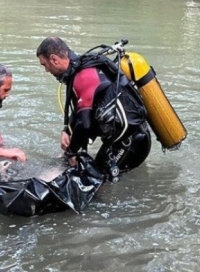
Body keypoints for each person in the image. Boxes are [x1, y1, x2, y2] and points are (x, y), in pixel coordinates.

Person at [36, 37, 151, 181]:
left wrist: (72, 153)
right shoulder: (81, 68)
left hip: (132, 143)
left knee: (96, 181)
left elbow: (84, 124)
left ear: (54, 59)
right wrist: (66, 130)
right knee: (87, 170)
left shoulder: (84, 77)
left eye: (45, 65)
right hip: (123, 138)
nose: (46, 70)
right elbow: (80, 111)